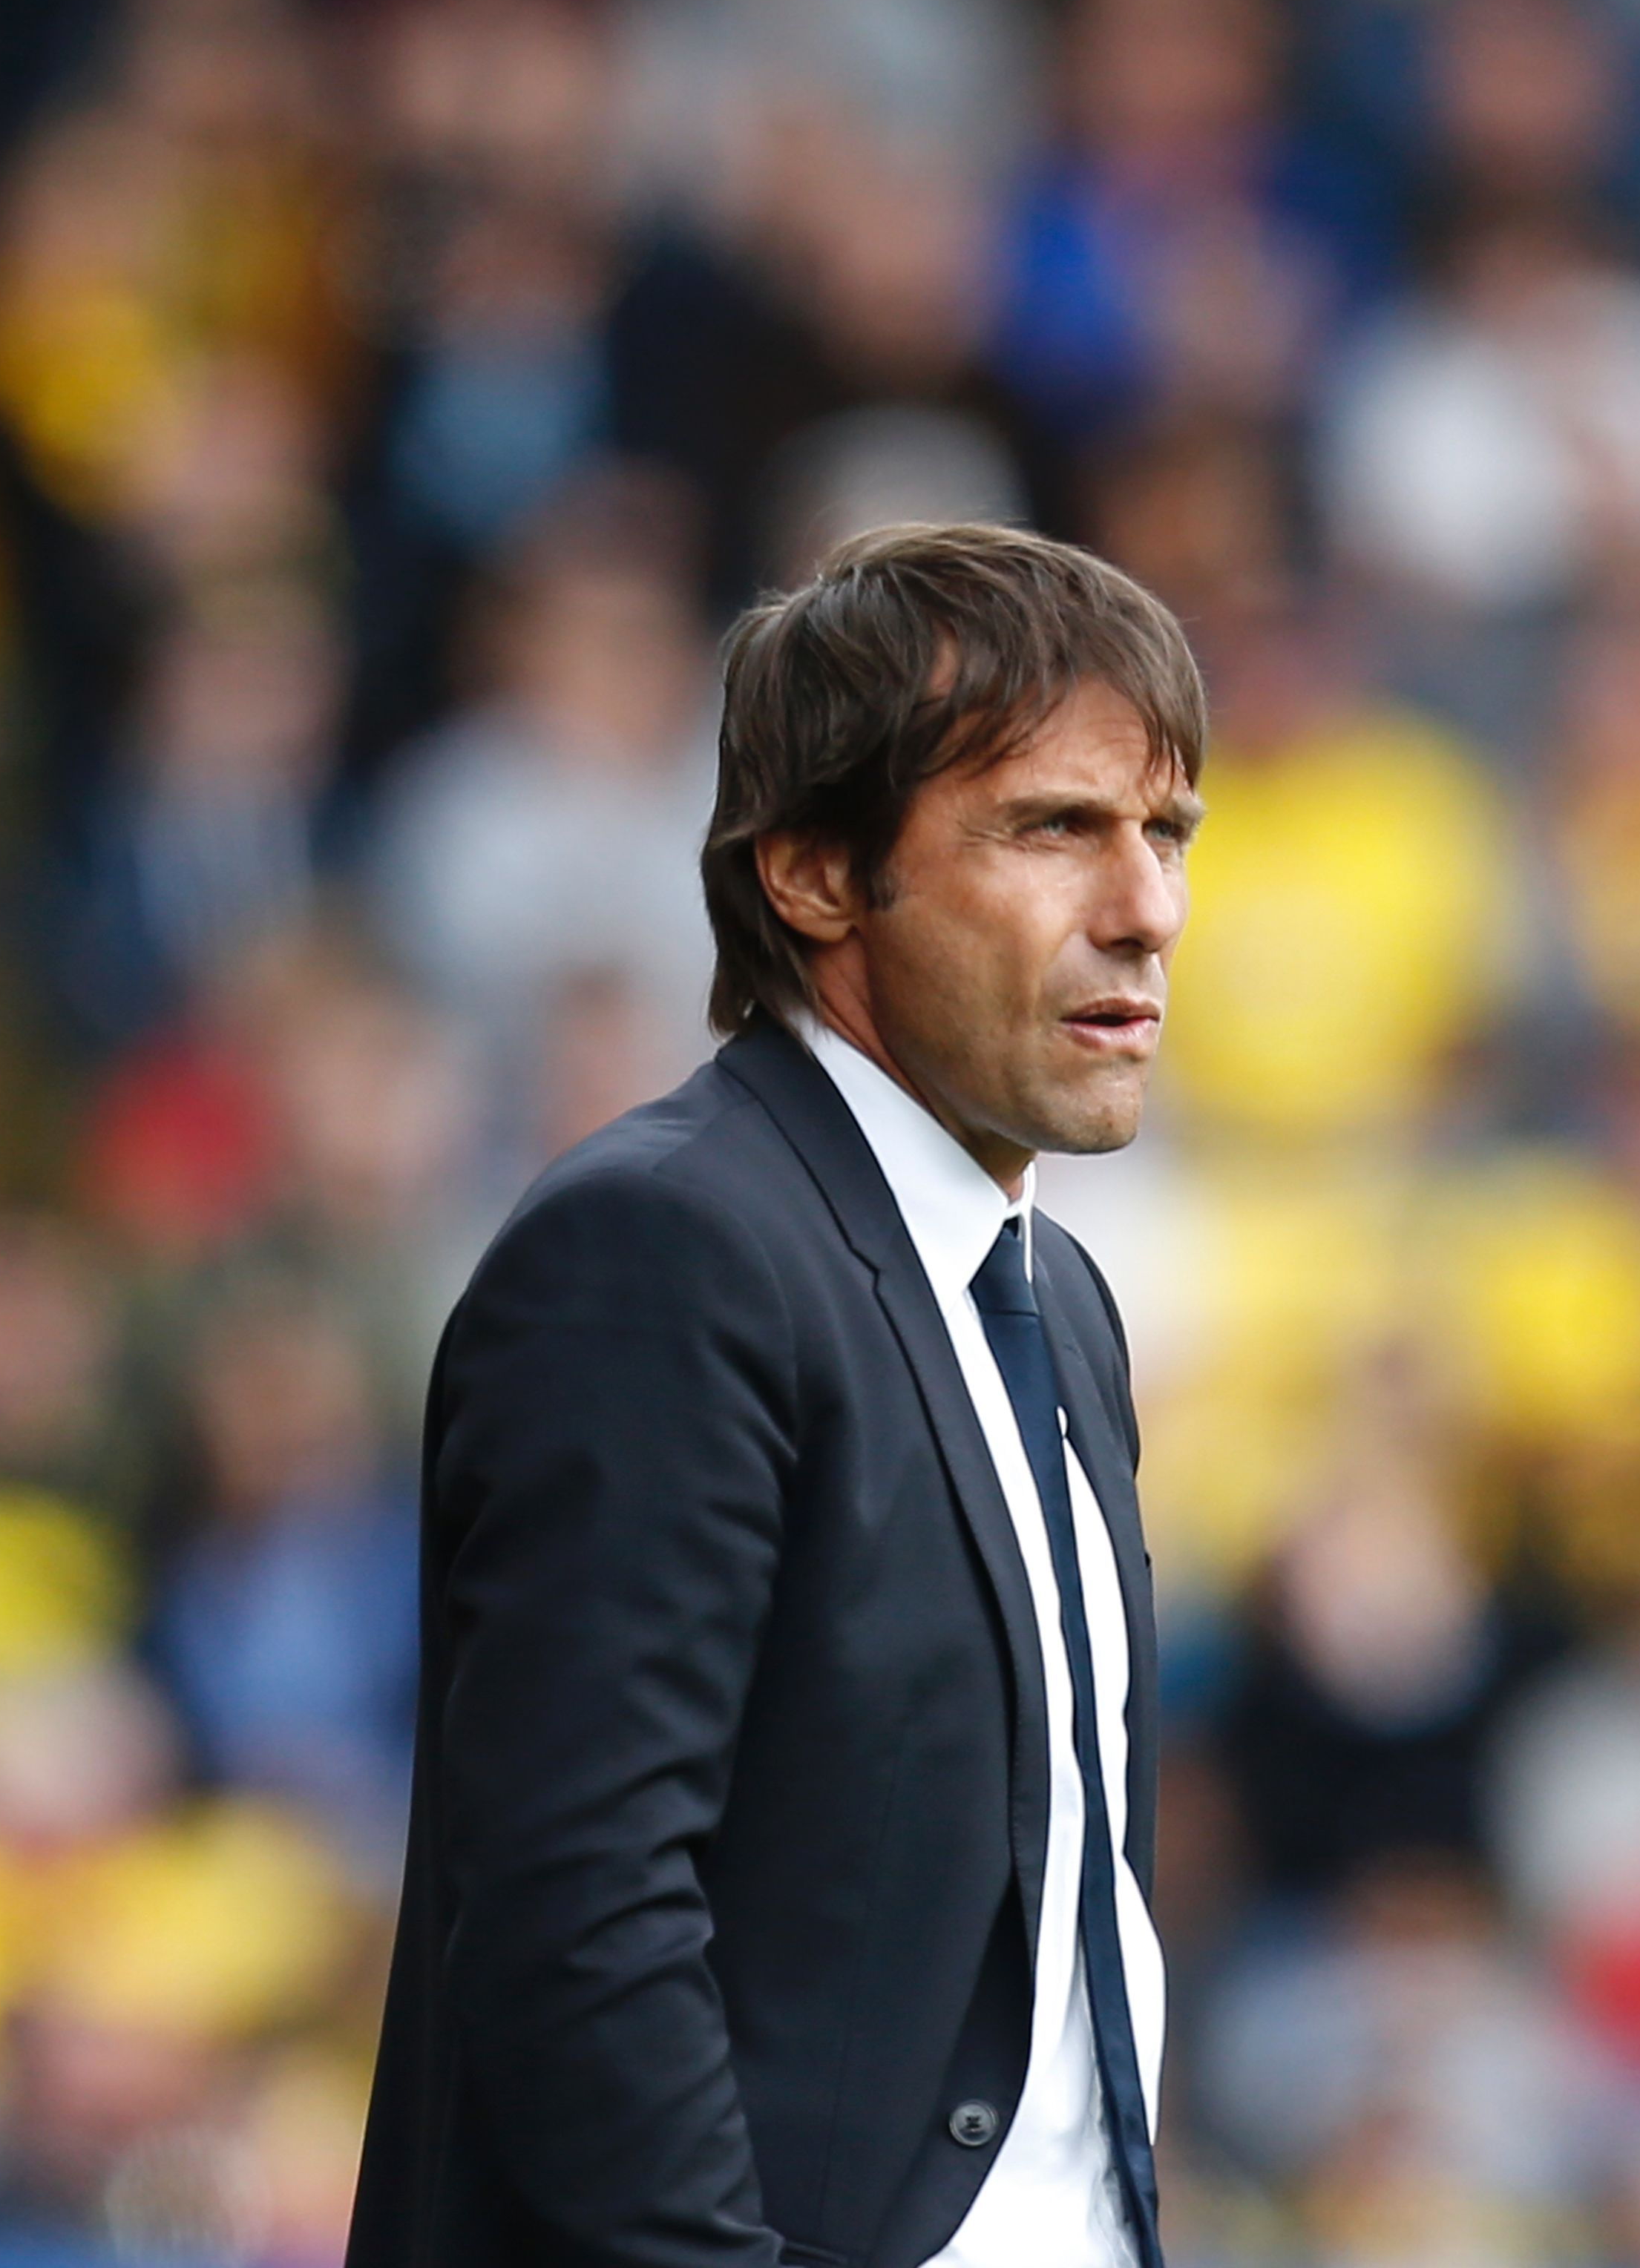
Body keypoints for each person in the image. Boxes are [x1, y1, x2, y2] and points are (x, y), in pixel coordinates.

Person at [349, 522, 1208, 2268]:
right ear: (816, 875)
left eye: (1167, 834)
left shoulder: (1061, 1300)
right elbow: (577, 1917)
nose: (1146, 910)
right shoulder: (662, 1249)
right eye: (1056, 828)